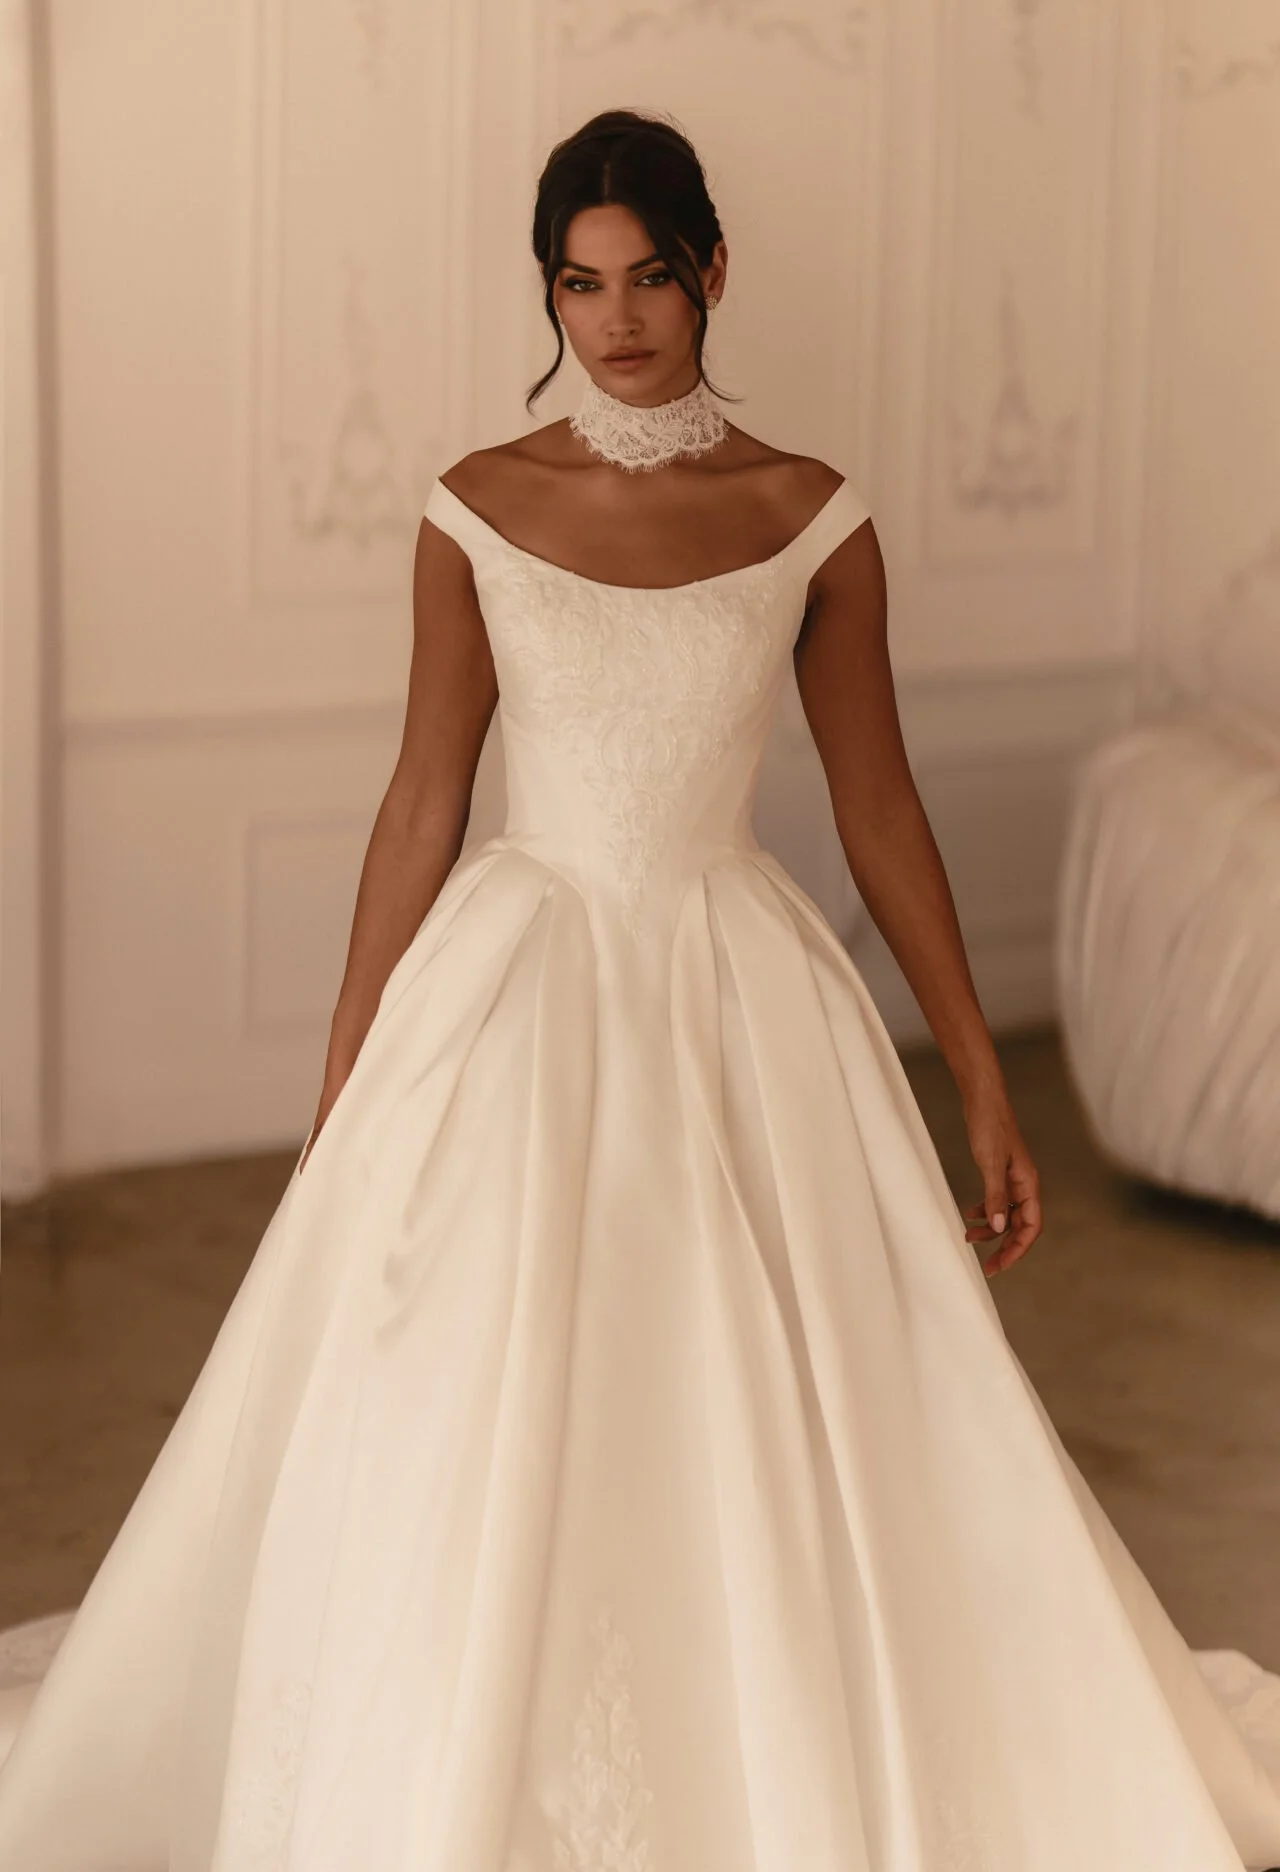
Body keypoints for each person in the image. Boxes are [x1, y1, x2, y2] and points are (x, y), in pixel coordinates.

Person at [0, 105, 1278, 1872]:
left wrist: (984, 1081)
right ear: (549, 292)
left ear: (713, 274)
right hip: (517, 988)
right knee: (479, 1394)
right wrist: (344, 1083)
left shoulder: (811, 518)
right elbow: (425, 800)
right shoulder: (476, 509)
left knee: (758, 1399)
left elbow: (880, 809)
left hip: (733, 989)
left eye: (651, 279)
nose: (615, 320)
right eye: (581, 284)